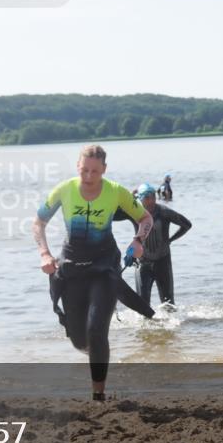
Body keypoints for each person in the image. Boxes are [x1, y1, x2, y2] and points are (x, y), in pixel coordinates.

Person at [32, 144, 155, 401]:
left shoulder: (116, 192)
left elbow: (145, 219)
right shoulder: (64, 190)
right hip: (72, 267)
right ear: (77, 167)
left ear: (104, 170)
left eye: (95, 172)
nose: (88, 177)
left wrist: (138, 240)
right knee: (79, 339)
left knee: (96, 330)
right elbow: (39, 222)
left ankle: (98, 395)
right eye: (84, 170)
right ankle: (97, 352)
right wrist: (44, 253)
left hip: (104, 267)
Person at [132, 183, 191, 309]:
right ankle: (146, 329)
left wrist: (171, 240)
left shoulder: (164, 212)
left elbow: (187, 225)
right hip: (143, 263)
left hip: (162, 261)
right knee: (142, 305)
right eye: (147, 197)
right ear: (140, 199)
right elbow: (113, 214)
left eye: (153, 196)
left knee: (169, 305)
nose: (151, 200)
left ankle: (170, 328)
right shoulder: (134, 213)